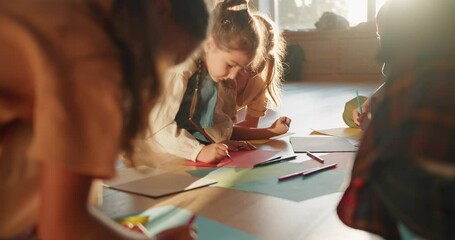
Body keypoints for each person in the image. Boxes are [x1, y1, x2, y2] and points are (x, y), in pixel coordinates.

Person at [0, 0, 208, 239]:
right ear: (161, 9)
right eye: (166, 59)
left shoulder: (71, 13)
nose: (156, 76)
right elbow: (63, 229)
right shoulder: (95, 55)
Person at [337, 0, 455, 239]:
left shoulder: (413, 60)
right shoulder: (427, 58)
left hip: (421, 205)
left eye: (383, 37)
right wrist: (377, 98)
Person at [143, 0, 261, 165]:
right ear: (209, 44)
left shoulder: (215, 73)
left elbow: (215, 119)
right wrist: (197, 151)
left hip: (180, 151)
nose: (233, 76)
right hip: (152, 155)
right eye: (230, 65)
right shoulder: (180, 68)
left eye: (240, 68)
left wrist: (219, 143)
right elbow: (158, 127)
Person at [230, 12, 292, 140]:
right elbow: (216, 132)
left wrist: (271, 131)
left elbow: (246, 126)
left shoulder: (258, 85)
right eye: (250, 57)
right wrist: (270, 132)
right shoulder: (220, 78)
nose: (252, 66)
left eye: (261, 59)